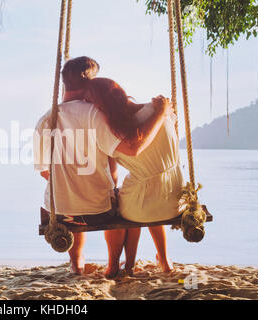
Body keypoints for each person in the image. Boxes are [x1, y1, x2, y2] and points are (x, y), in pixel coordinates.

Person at [34, 57, 173, 276]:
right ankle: (112, 265)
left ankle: (77, 264)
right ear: (90, 81)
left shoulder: (45, 120)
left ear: (64, 83)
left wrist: (70, 184)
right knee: (119, 205)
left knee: (74, 202)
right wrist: (159, 113)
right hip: (99, 212)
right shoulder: (94, 115)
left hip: (60, 213)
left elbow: (43, 170)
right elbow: (129, 149)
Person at [85, 77, 183, 275]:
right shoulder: (161, 110)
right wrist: (163, 111)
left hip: (142, 205)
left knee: (126, 203)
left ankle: (124, 265)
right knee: (145, 193)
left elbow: (114, 171)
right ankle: (164, 260)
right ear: (121, 91)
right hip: (176, 199)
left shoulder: (113, 133)